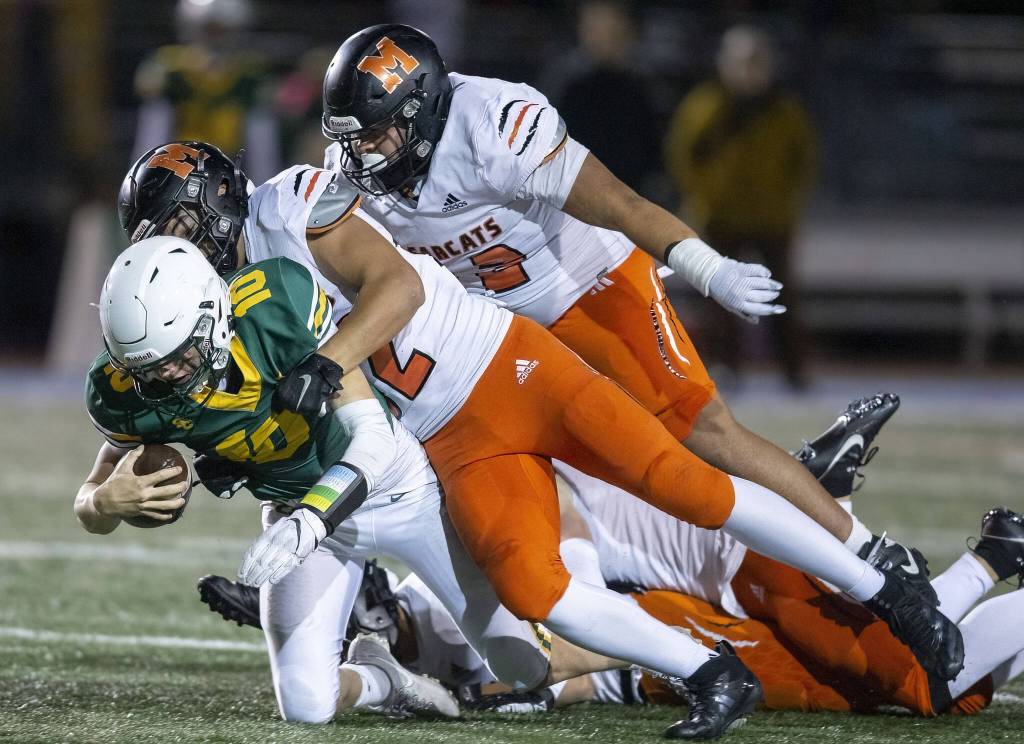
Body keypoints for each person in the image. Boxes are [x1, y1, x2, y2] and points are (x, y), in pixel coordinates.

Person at [116, 140, 961, 739]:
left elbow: (398, 288)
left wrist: (324, 368)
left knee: (687, 484)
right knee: (534, 610)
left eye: (180, 233)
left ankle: (884, 588)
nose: (175, 256)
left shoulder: (293, 208)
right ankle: (712, 674)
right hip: (445, 440)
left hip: (504, 367)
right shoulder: (200, 310)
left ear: (216, 207)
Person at [318, 24, 922, 599]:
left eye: (375, 132)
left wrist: (708, 268)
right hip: (493, 328)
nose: (360, 151)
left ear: (420, 109)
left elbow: (619, 205)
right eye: (353, 135)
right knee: (469, 468)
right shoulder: (351, 175)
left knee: (703, 433)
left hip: (588, 287)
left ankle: (868, 551)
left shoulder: (493, 125)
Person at [203, 400, 1024, 719]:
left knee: (922, 679)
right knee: (906, 679)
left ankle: (977, 560)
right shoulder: (471, 523)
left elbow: (566, 635)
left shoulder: (520, 507)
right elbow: (558, 651)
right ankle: (986, 555)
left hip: (745, 562)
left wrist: (422, 688)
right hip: (713, 579)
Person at [75, 236, 586, 724]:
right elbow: (91, 500)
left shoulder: (274, 307)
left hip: (390, 477)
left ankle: (644, 655)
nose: (167, 375)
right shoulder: (133, 384)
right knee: (304, 703)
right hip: (296, 506)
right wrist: (105, 502)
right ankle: (384, 678)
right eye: (149, 366)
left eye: (176, 356)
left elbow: (367, 417)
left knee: (526, 652)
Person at [664, 26, 817, 389]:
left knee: (783, 296)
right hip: (720, 218)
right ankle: (724, 367)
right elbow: (682, 156)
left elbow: (804, 161)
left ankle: (793, 371)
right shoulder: (704, 107)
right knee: (716, 297)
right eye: (741, 62)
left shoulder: (785, 112)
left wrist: (785, 201)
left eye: (756, 62)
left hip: (771, 218)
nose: (748, 70)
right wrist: (703, 198)